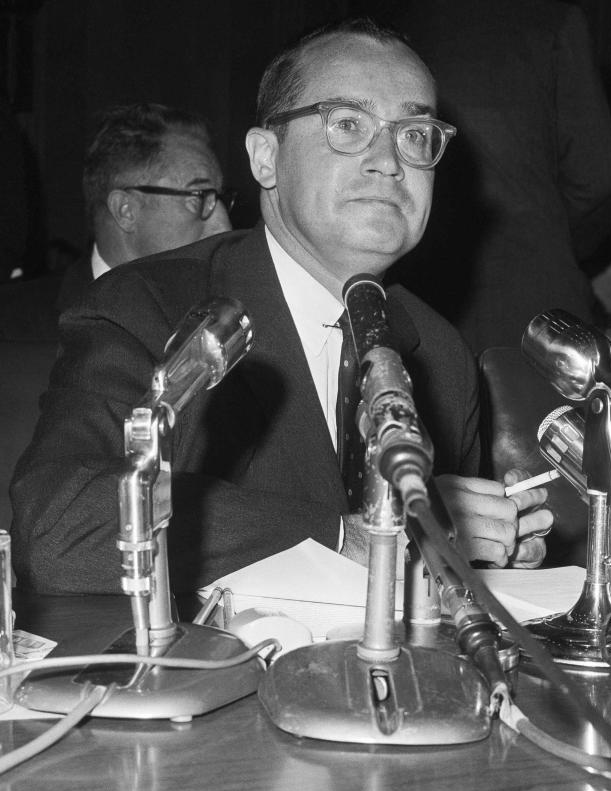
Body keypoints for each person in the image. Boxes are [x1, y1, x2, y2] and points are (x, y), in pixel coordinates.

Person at [11, 19, 552, 595]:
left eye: (416, 134)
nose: (390, 161)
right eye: (348, 125)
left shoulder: (438, 351)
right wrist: (348, 538)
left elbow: (427, 578)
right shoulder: (150, 305)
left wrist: (478, 548)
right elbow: (59, 528)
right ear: (265, 158)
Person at [379, 0, 611, 353]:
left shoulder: (389, 19)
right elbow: (599, 177)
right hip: (530, 302)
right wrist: (549, 238)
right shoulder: (549, 17)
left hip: (408, 294)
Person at [56, 102, 234, 312]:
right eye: (199, 196)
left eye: (219, 198)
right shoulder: (14, 327)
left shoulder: (230, 313)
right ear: (126, 210)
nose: (224, 226)